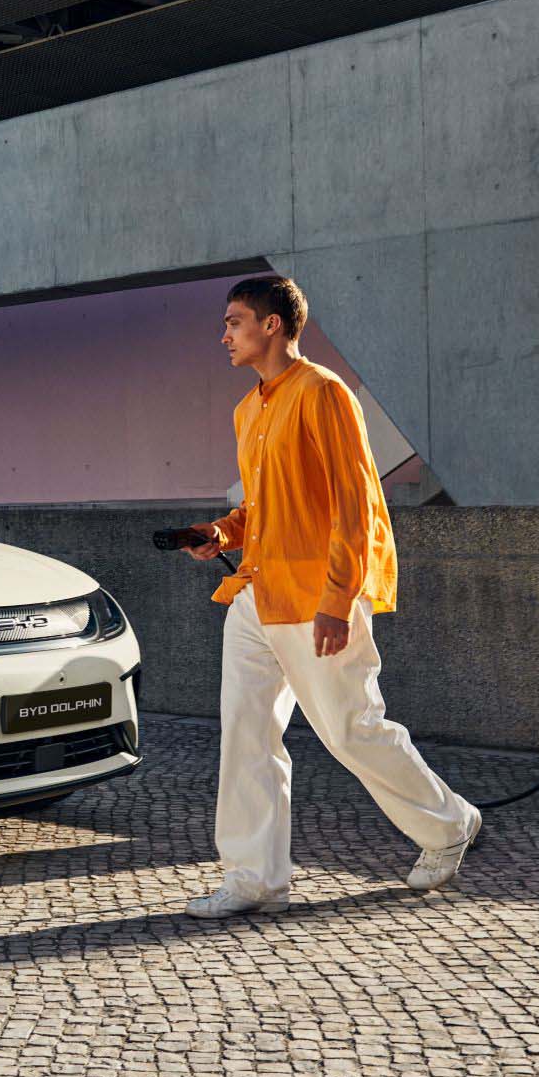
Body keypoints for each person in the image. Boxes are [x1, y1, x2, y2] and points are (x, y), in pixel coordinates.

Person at [183, 275, 480, 917]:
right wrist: (217, 532)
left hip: (317, 596)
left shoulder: (324, 394)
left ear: (273, 325)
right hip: (255, 595)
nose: (224, 334)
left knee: (350, 727)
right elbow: (264, 509)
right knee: (246, 732)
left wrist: (339, 600)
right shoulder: (249, 409)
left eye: (235, 321)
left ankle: (449, 826)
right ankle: (256, 877)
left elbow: (356, 505)